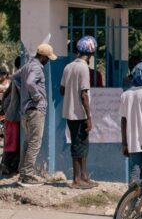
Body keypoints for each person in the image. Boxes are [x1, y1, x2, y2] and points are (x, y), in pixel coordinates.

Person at [17, 44, 57, 187]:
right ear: (43, 57)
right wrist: (36, 96)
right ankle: (27, 175)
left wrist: (24, 94)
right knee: (35, 143)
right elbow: (29, 82)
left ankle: (23, 173)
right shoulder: (37, 68)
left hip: (26, 110)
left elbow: (16, 78)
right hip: (35, 110)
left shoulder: (27, 65)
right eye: (48, 58)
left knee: (28, 142)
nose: (48, 61)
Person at [60, 36, 98, 188]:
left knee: (81, 144)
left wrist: (70, 90)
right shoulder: (83, 68)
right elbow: (84, 95)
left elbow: (62, 90)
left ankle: (84, 176)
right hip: (79, 113)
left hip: (69, 112)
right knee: (79, 145)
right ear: (90, 53)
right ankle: (77, 179)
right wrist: (89, 117)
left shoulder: (68, 67)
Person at [1, 58, 22, 177]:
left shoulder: (16, 78)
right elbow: (7, 98)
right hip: (13, 116)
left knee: (13, 143)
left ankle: (9, 166)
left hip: (14, 116)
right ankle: (7, 167)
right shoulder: (17, 78)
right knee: (12, 143)